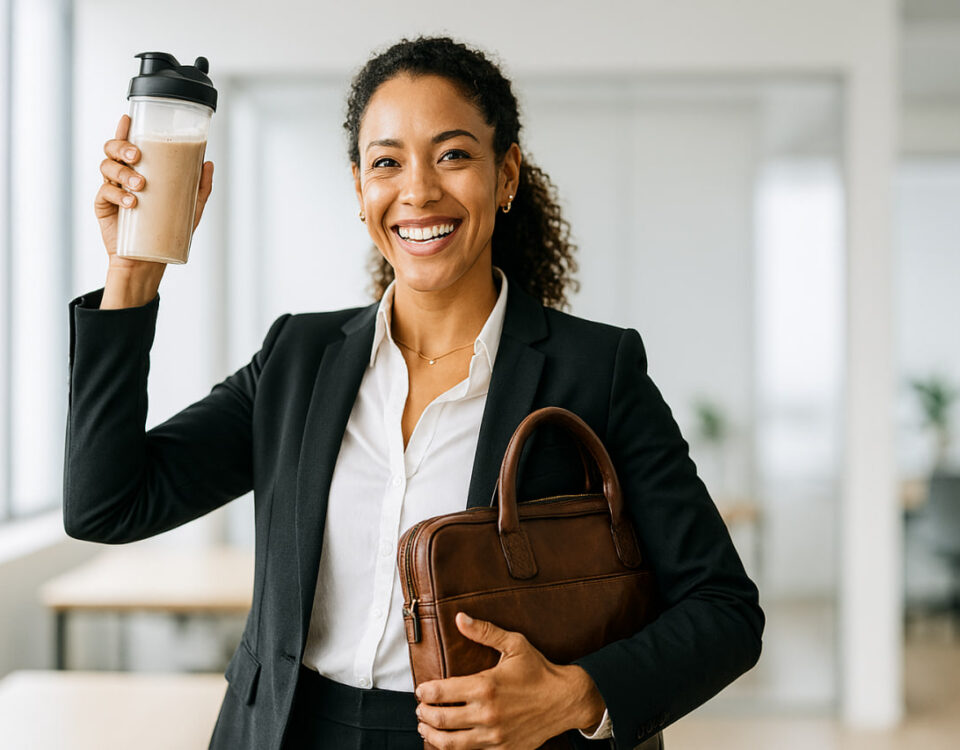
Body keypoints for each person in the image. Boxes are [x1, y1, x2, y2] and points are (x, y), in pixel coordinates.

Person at [66, 36, 763, 750]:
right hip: (291, 731)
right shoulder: (297, 360)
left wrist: (575, 697)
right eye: (387, 162)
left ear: (507, 174)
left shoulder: (596, 370)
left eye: (454, 154)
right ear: (360, 189)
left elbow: (725, 610)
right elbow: (108, 504)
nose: (419, 190)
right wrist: (132, 276)